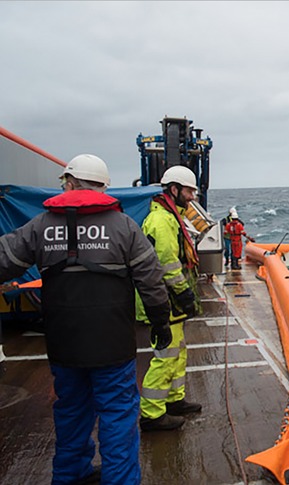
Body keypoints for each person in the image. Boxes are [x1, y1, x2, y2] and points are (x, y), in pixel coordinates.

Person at [0, 154, 172, 484]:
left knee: (71, 412)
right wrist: (160, 322)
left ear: (69, 183)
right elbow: (150, 280)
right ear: (103, 188)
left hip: (64, 345)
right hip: (112, 345)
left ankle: (70, 475)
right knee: (118, 416)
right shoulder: (123, 227)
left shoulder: (40, 225)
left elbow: (5, 258)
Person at [136, 164, 203, 432]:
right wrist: (184, 293)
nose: (192, 198)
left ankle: (174, 400)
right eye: (188, 191)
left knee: (177, 351)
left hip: (170, 301)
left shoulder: (169, 216)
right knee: (165, 355)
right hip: (164, 300)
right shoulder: (162, 221)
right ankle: (152, 414)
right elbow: (167, 264)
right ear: (173, 190)